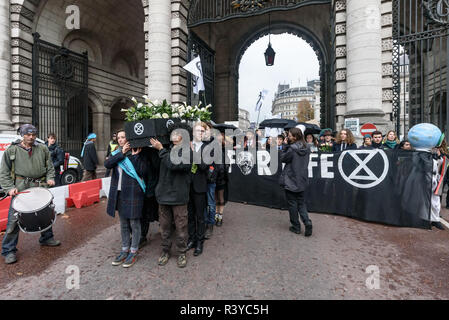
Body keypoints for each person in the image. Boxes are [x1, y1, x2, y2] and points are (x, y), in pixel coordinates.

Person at [0, 124, 60, 265]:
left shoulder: (43, 148)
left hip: (40, 186)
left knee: (44, 213)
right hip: (21, 188)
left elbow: (50, 167)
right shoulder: (12, 150)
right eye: (28, 135)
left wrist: (51, 178)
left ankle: (46, 238)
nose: (31, 137)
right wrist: (9, 188)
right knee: (14, 220)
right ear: (22, 135)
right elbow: (4, 172)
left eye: (33, 134)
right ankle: (9, 250)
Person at [150, 123, 192, 268]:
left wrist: (160, 150)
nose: (173, 135)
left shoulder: (187, 151)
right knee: (165, 227)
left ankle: (181, 252)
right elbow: (158, 167)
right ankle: (165, 251)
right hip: (163, 195)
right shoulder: (166, 149)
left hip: (179, 196)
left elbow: (174, 164)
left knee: (181, 227)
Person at [105, 130, 147, 268]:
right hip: (119, 192)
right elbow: (108, 164)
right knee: (123, 223)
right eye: (119, 138)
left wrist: (135, 157)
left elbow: (142, 171)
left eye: (123, 137)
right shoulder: (117, 153)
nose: (121, 140)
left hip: (133, 193)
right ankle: (124, 249)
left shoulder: (138, 153)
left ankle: (133, 251)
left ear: (129, 138)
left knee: (134, 223)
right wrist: (122, 152)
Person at [279, 128, 313, 237]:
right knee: (301, 203)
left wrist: (284, 146)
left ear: (295, 137)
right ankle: (307, 221)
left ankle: (296, 226)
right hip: (302, 179)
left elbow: (283, 158)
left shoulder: (292, 149)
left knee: (292, 204)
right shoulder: (307, 147)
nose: (288, 137)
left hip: (291, 179)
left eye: (289, 135)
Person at [187, 122, 209, 256]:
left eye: (202, 131)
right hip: (187, 185)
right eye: (197, 131)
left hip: (200, 186)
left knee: (200, 216)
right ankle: (192, 238)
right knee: (189, 215)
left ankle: (200, 241)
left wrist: (194, 152)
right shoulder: (186, 145)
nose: (200, 133)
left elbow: (203, 166)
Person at [139, 146, 160, 249]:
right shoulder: (137, 150)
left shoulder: (153, 151)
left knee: (156, 211)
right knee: (143, 213)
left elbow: (157, 166)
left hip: (153, 187)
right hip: (142, 188)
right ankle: (142, 236)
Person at [203, 123, 217, 240]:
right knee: (202, 203)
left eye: (206, 130)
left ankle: (210, 224)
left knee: (211, 203)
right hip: (199, 178)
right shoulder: (199, 142)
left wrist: (211, 173)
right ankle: (203, 222)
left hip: (210, 178)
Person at [215, 132, 231, 227]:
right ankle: (216, 215)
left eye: (221, 139)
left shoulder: (225, 151)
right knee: (214, 198)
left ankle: (220, 216)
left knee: (221, 198)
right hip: (213, 178)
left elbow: (226, 165)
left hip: (221, 179)